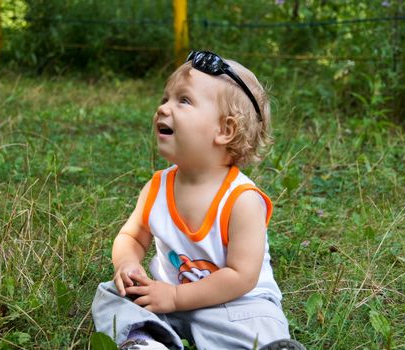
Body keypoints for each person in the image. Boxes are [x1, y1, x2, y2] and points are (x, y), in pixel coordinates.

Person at [92, 51, 305, 350]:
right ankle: (144, 341)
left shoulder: (242, 200)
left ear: (224, 130)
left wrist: (177, 297)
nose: (163, 108)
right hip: (164, 298)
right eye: (166, 98)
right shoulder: (157, 187)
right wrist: (127, 263)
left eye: (184, 100)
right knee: (111, 296)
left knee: (262, 321)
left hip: (233, 305)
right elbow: (131, 236)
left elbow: (241, 277)